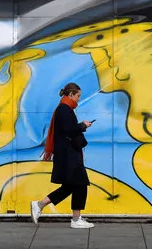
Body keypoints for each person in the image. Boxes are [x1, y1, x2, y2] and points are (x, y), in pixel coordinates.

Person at [30, 82, 94, 229]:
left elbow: (68, 129)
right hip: (69, 154)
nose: (78, 99)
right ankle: (76, 219)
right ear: (70, 94)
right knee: (80, 183)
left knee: (70, 186)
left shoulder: (64, 109)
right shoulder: (64, 110)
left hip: (67, 154)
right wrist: (83, 125)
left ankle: (39, 204)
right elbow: (69, 130)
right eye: (78, 96)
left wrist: (80, 126)